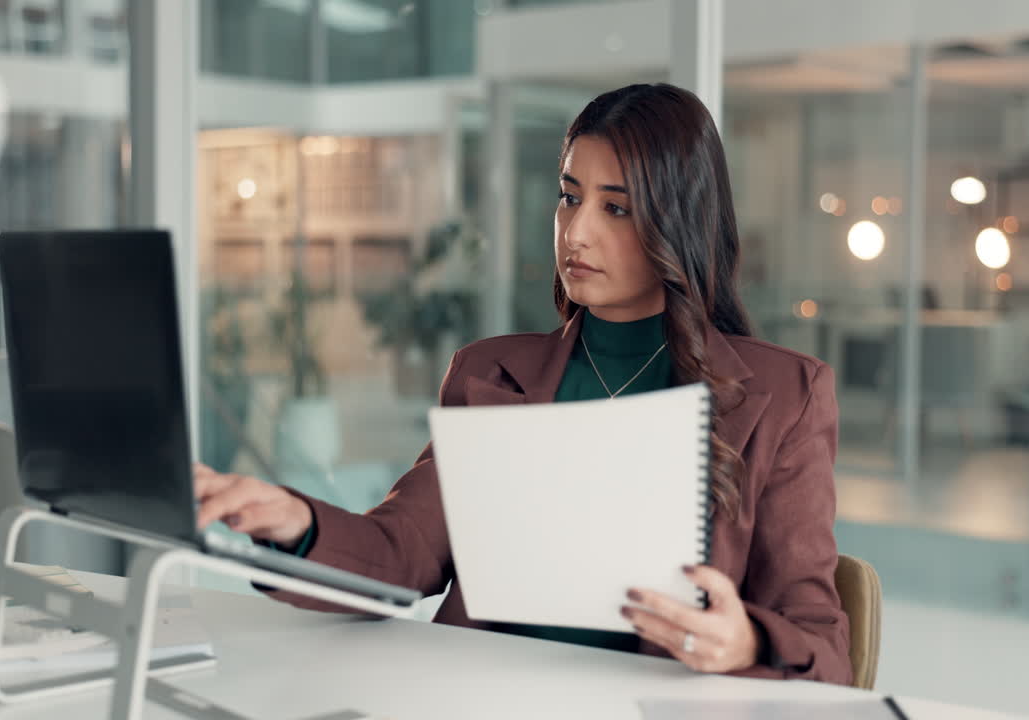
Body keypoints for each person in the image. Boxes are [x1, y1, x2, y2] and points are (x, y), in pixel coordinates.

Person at [194, 83, 851, 685]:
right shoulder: (489, 372)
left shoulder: (787, 395)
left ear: (679, 222)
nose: (577, 229)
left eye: (616, 208)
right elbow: (402, 551)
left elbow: (824, 646)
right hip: (486, 699)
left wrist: (744, 643)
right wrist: (295, 522)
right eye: (570, 196)